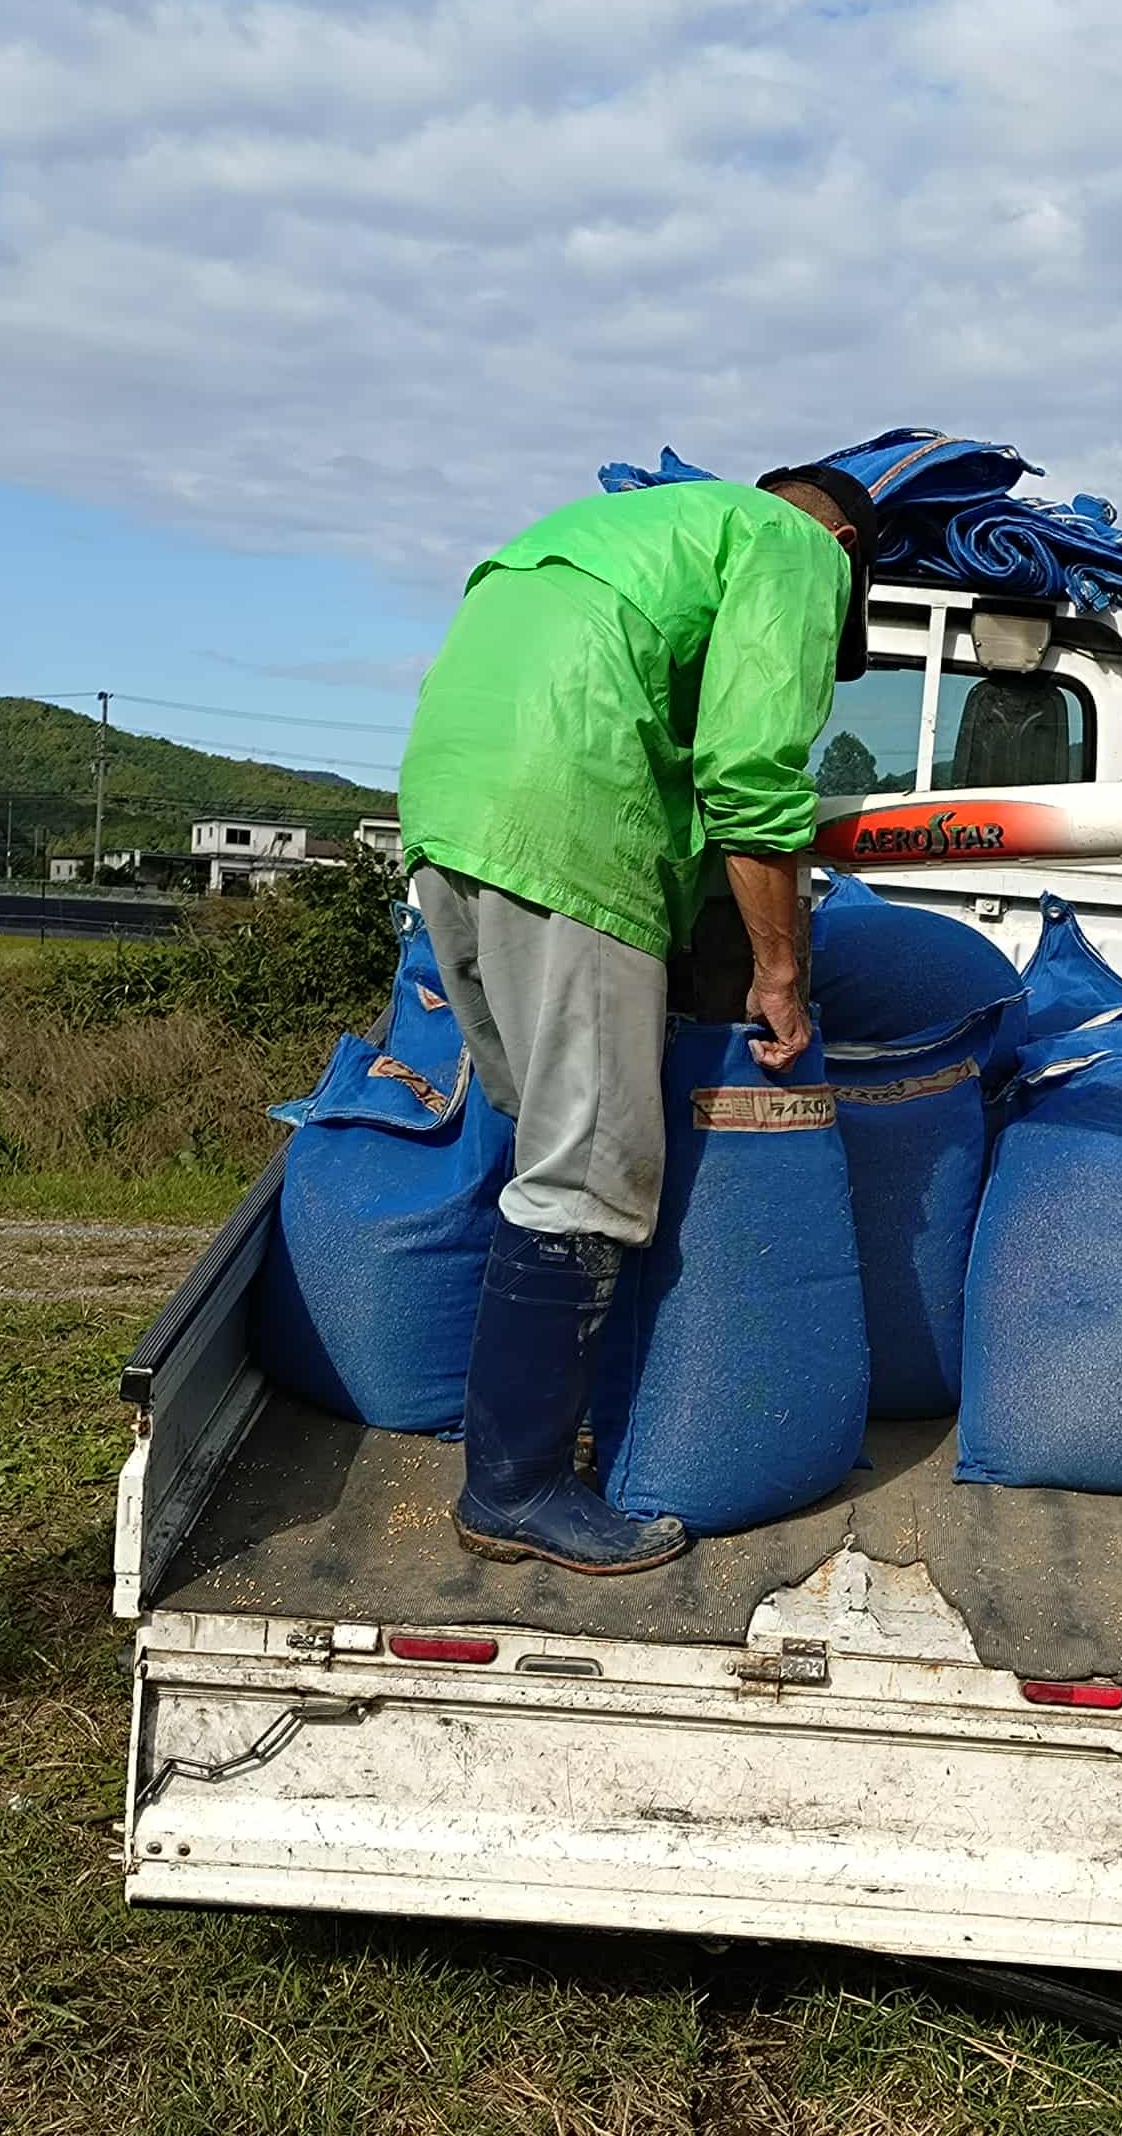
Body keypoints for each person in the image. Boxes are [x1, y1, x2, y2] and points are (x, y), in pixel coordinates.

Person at [397, 463, 879, 1575]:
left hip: (448, 805)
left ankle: (514, 1447)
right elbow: (752, 773)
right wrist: (779, 970)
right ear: (849, 550)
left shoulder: (616, 528)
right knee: (591, 1168)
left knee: (542, 1132)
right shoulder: (796, 546)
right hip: (572, 820)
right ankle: (512, 1488)